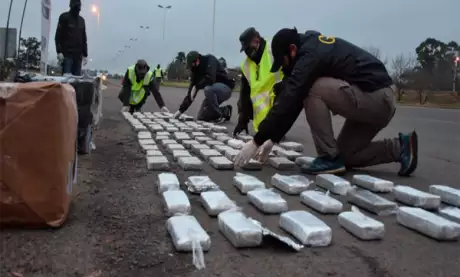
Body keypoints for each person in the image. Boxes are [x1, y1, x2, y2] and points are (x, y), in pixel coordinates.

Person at [235, 28, 418, 177]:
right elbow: (293, 103)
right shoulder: (307, 51)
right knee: (346, 156)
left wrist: (256, 141)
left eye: (283, 62)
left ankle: (328, 156)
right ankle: (400, 147)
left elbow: (292, 97)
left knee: (313, 89)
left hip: (378, 97)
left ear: (292, 50)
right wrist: (272, 138)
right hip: (369, 99)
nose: (284, 68)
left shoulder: (310, 55)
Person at [233, 27, 284, 137]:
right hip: (261, 118)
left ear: (257, 41)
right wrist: (243, 118)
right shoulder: (246, 65)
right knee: (242, 102)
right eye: (245, 49)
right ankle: (264, 129)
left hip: (281, 103)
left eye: (248, 48)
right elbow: (244, 93)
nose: (247, 52)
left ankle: (278, 127)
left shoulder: (273, 49)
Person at [173, 51, 235, 123]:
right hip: (212, 93)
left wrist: (197, 86)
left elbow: (210, 78)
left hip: (225, 88)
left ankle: (219, 115)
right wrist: (180, 111)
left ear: (197, 60)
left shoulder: (210, 60)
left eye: (192, 65)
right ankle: (225, 111)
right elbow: (191, 94)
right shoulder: (195, 71)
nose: (191, 68)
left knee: (207, 88)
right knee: (201, 117)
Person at [55, 0, 88, 76]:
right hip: (67, 54)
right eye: (76, 5)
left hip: (78, 56)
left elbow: (84, 38)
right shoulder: (64, 17)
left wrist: (85, 54)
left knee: (77, 81)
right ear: (71, 5)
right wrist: (59, 51)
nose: (78, 8)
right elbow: (58, 35)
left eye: (79, 6)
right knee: (67, 80)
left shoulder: (82, 21)